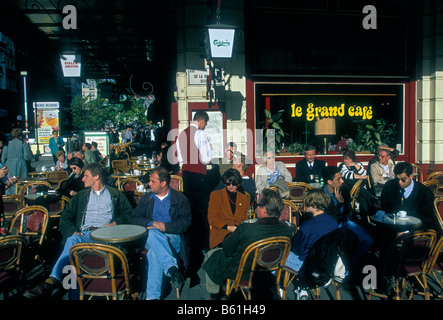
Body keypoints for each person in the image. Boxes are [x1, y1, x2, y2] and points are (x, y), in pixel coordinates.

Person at [23, 163, 133, 299]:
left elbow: (129, 214)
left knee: (74, 262)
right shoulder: (81, 196)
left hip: (107, 237)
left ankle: (71, 293)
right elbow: (65, 216)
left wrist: (116, 223)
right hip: (85, 234)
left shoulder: (115, 194)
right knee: (72, 241)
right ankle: (52, 281)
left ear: (96, 177)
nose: (82, 179)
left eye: (86, 176)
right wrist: (73, 231)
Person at [202, 188, 293, 299]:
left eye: (257, 204)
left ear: (264, 209)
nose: (255, 206)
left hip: (243, 273)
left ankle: (214, 295)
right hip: (269, 271)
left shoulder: (246, 228)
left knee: (210, 255)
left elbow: (227, 249)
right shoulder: (287, 230)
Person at [132, 166, 192, 300]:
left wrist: (165, 226)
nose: (149, 184)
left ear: (163, 183)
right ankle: (172, 268)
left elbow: (185, 223)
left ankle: (152, 296)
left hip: (172, 237)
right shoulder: (147, 198)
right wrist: (152, 223)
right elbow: (135, 218)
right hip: (149, 238)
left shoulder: (180, 199)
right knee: (153, 233)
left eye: (152, 181)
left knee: (154, 253)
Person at [322, 166, 374, 290]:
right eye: (339, 179)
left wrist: (343, 205)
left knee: (368, 239)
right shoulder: (321, 195)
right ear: (329, 182)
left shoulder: (343, 190)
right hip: (329, 227)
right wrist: (339, 204)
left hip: (345, 222)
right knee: (344, 240)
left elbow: (349, 212)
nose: (342, 181)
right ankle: (345, 271)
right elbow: (327, 220)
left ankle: (353, 265)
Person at [176, 110, 212, 284]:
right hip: (199, 175)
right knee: (202, 211)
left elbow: (180, 157)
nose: (205, 125)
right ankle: (204, 245)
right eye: (205, 123)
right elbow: (206, 159)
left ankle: (190, 243)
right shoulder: (201, 134)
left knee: (190, 210)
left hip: (187, 175)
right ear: (201, 120)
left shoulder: (181, 134)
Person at [284, 189, 339, 295]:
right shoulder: (333, 222)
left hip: (307, 265)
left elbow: (297, 249)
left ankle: (277, 287)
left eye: (307, 202)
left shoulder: (307, 227)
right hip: (327, 264)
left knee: (276, 256)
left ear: (314, 205)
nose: (304, 204)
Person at [380, 162, 438, 232]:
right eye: (397, 179)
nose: (399, 182)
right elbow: (384, 210)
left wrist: (406, 233)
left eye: (403, 179)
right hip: (392, 229)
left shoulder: (425, 193)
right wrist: (379, 205)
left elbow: (427, 220)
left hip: (415, 232)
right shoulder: (389, 186)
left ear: (411, 176)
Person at [208, 168, 250, 249]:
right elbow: (212, 219)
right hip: (221, 233)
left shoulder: (244, 198)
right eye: (228, 184)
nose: (231, 186)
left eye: (234, 184)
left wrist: (238, 230)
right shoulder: (215, 195)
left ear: (238, 183)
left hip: (239, 233)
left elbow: (246, 219)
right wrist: (228, 227)